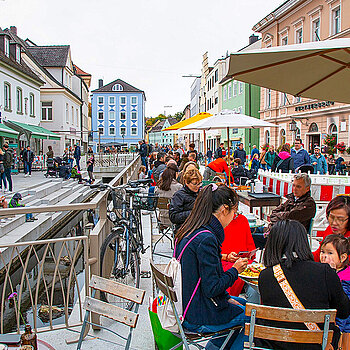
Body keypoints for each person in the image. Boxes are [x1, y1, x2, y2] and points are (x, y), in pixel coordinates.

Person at [175, 183, 249, 350]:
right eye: (234, 212)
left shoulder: (191, 229)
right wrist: (235, 270)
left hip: (188, 305)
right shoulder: (207, 239)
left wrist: (226, 298)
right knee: (252, 317)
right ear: (224, 210)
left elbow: (207, 279)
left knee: (244, 305)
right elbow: (212, 288)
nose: (234, 216)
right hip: (197, 314)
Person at [257, 220, 350, 350]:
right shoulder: (324, 272)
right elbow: (344, 312)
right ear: (303, 242)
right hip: (316, 344)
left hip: (275, 344)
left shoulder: (265, 275)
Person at [221, 209, 258, 303]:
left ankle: (255, 313)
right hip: (223, 263)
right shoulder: (213, 225)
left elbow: (250, 248)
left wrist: (247, 255)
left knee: (255, 284)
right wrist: (226, 256)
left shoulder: (242, 220)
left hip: (244, 261)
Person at [320, 234, 350, 334]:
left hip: (343, 328)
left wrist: (337, 332)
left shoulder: (346, 278)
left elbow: (342, 309)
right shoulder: (324, 271)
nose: (324, 256)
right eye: (322, 252)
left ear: (343, 257)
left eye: (330, 253)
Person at [313, 195, 350, 262]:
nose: (334, 223)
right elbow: (318, 255)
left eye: (340, 219)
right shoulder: (329, 230)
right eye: (331, 217)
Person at [169, 168, 202, 232]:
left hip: (198, 226)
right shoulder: (179, 195)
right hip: (184, 228)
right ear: (187, 182)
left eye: (199, 183)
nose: (198, 186)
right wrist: (193, 213)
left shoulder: (200, 193)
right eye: (195, 184)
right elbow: (173, 217)